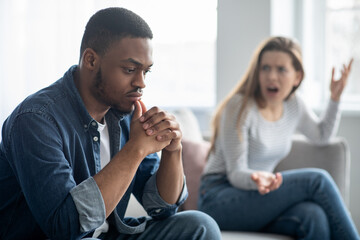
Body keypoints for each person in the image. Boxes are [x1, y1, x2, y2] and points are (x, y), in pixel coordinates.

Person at [0, 7, 221, 240]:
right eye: (129, 69)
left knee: (200, 226)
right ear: (91, 60)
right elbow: (65, 227)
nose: (141, 83)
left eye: (146, 71)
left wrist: (173, 151)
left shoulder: (126, 115)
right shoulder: (36, 119)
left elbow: (160, 208)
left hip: (109, 235)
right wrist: (135, 150)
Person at [198, 36, 359, 239]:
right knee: (317, 180)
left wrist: (335, 99)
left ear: (297, 77)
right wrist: (259, 178)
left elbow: (321, 136)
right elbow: (236, 174)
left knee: (313, 215)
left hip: (256, 197)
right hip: (218, 198)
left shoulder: (294, 105)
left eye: (281, 69)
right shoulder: (240, 106)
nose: (271, 76)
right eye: (265, 68)